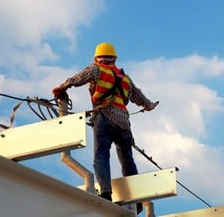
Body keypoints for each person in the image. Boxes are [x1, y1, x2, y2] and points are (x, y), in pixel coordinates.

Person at [52, 42, 157, 205]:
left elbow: (78, 78)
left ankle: (106, 192)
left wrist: (62, 87)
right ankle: (136, 199)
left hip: (105, 116)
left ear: (97, 58)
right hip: (123, 122)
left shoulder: (96, 69)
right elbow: (140, 98)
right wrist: (149, 106)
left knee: (101, 154)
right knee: (127, 159)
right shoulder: (126, 78)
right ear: (114, 59)